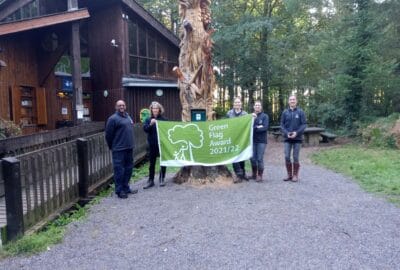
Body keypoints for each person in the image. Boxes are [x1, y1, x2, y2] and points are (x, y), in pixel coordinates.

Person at [105, 100, 138, 199]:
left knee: (129, 169)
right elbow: (108, 135)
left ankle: (126, 187)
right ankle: (119, 191)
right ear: (116, 107)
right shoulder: (112, 119)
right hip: (119, 149)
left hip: (129, 148)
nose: (122, 106)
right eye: (119, 105)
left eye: (123, 105)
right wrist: (112, 146)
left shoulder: (128, 116)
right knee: (119, 171)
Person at [280, 95, 307, 182]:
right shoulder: (285, 112)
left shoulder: (300, 112)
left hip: (297, 138)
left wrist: (297, 133)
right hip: (287, 138)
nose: (292, 101)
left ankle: (295, 175)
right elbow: (282, 125)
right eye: (290, 100)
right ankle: (289, 175)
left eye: (293, 100)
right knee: (287, 156)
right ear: (288, 102)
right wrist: (286, 133)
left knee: (295, 157)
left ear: (296, 101)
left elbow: (304, 125)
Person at [143, 101, 167, 189]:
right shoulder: (148, 119)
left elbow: (167, 131)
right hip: (152, 144)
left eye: (157, 108)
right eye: (154, 108)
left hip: (162, 144)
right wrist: (150, 124)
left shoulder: (164, 120)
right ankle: (151, 180)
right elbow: (145, 129)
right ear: (151, 110)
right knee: (152, 163)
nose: (155, 110)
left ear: (159, 109)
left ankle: (162, 178)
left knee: (163, 162)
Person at [226, 97, 248, 183]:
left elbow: (248, 123)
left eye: (239, 102)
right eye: (236, 102)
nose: (237, 104)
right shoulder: (229, 113)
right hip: (232, 137)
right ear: (233, 104)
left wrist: (252, 116)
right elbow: (226, 124)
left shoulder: (245, 114)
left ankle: (243, 172)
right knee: (234, 155)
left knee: (242, 154)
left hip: (242, 137)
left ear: (241, 104)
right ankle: (238, 174)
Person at [251, 100, 269, 182]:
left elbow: (264, 128)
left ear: (261, 107)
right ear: (254, 107)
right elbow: (249, 128)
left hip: (261, 141)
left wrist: (255, 128)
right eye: (256, 105)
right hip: (252, 141)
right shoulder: (251, 116)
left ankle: (260, 175)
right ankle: (254, 174)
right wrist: (257, 126)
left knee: (259, 158)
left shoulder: (265, 116)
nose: (257, 106)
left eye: (259, 105)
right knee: (252, 158)